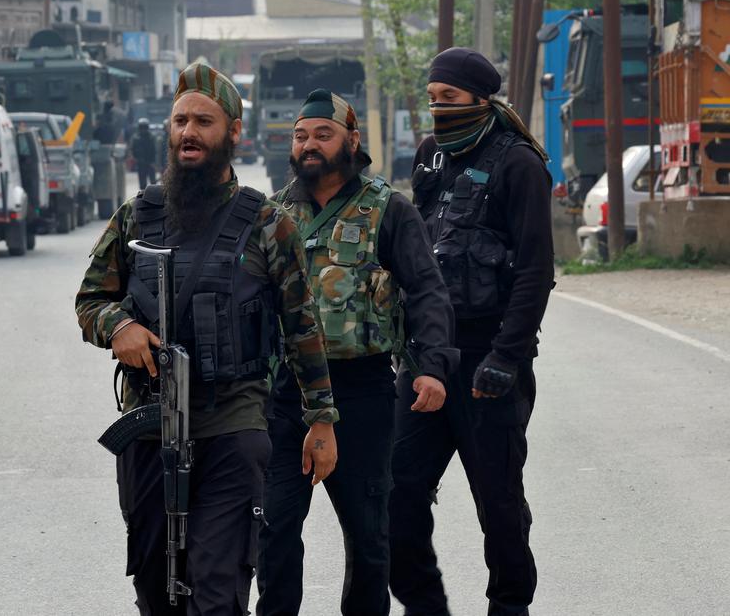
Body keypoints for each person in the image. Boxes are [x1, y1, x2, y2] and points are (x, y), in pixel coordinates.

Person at [75, 63, 339, 616]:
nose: (188, 133)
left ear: (233, 132)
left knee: (218, 589)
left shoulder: (267, 222)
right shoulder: (136, 216)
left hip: (232, 420)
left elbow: (302, 326)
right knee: (154, 584)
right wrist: (119, 327)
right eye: (180, 122)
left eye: (203, 121)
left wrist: (321, 420)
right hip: (150, 420)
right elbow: (90, 300)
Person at [256, 89, 459, 616]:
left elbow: (427, 290)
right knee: (273, 531)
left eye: (323, 134)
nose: (309, 145)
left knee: (370, 538)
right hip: (287, 394)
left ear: (351, 141)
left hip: (362, 392)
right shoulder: (273, 213)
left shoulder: (389, 210)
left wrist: (432, 366)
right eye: (301, 136)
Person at [389, 47, 554, 616]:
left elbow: (535, 271)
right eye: (432, 99)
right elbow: (416, 252)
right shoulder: (430, 155)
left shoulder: (519, 164)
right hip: (427, 356)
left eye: (450, 98)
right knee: (397, 490)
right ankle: (424, 604)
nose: (439, 108)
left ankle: (509, 606)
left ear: (481, 101)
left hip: (489, 357)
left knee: (499, 503)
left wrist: (507, 357)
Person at [130, 117, 158, 189]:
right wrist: (134, 158)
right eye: (142, 127)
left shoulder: (151, 137)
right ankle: (143, 194)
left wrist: (154, 162)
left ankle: (154, 194)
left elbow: (154, 150)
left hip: (150, 162)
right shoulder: (136, 138)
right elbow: (132, 149)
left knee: (153, 182)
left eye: (144, 127)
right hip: (140, 163)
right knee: (142, 183)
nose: (143, 129)